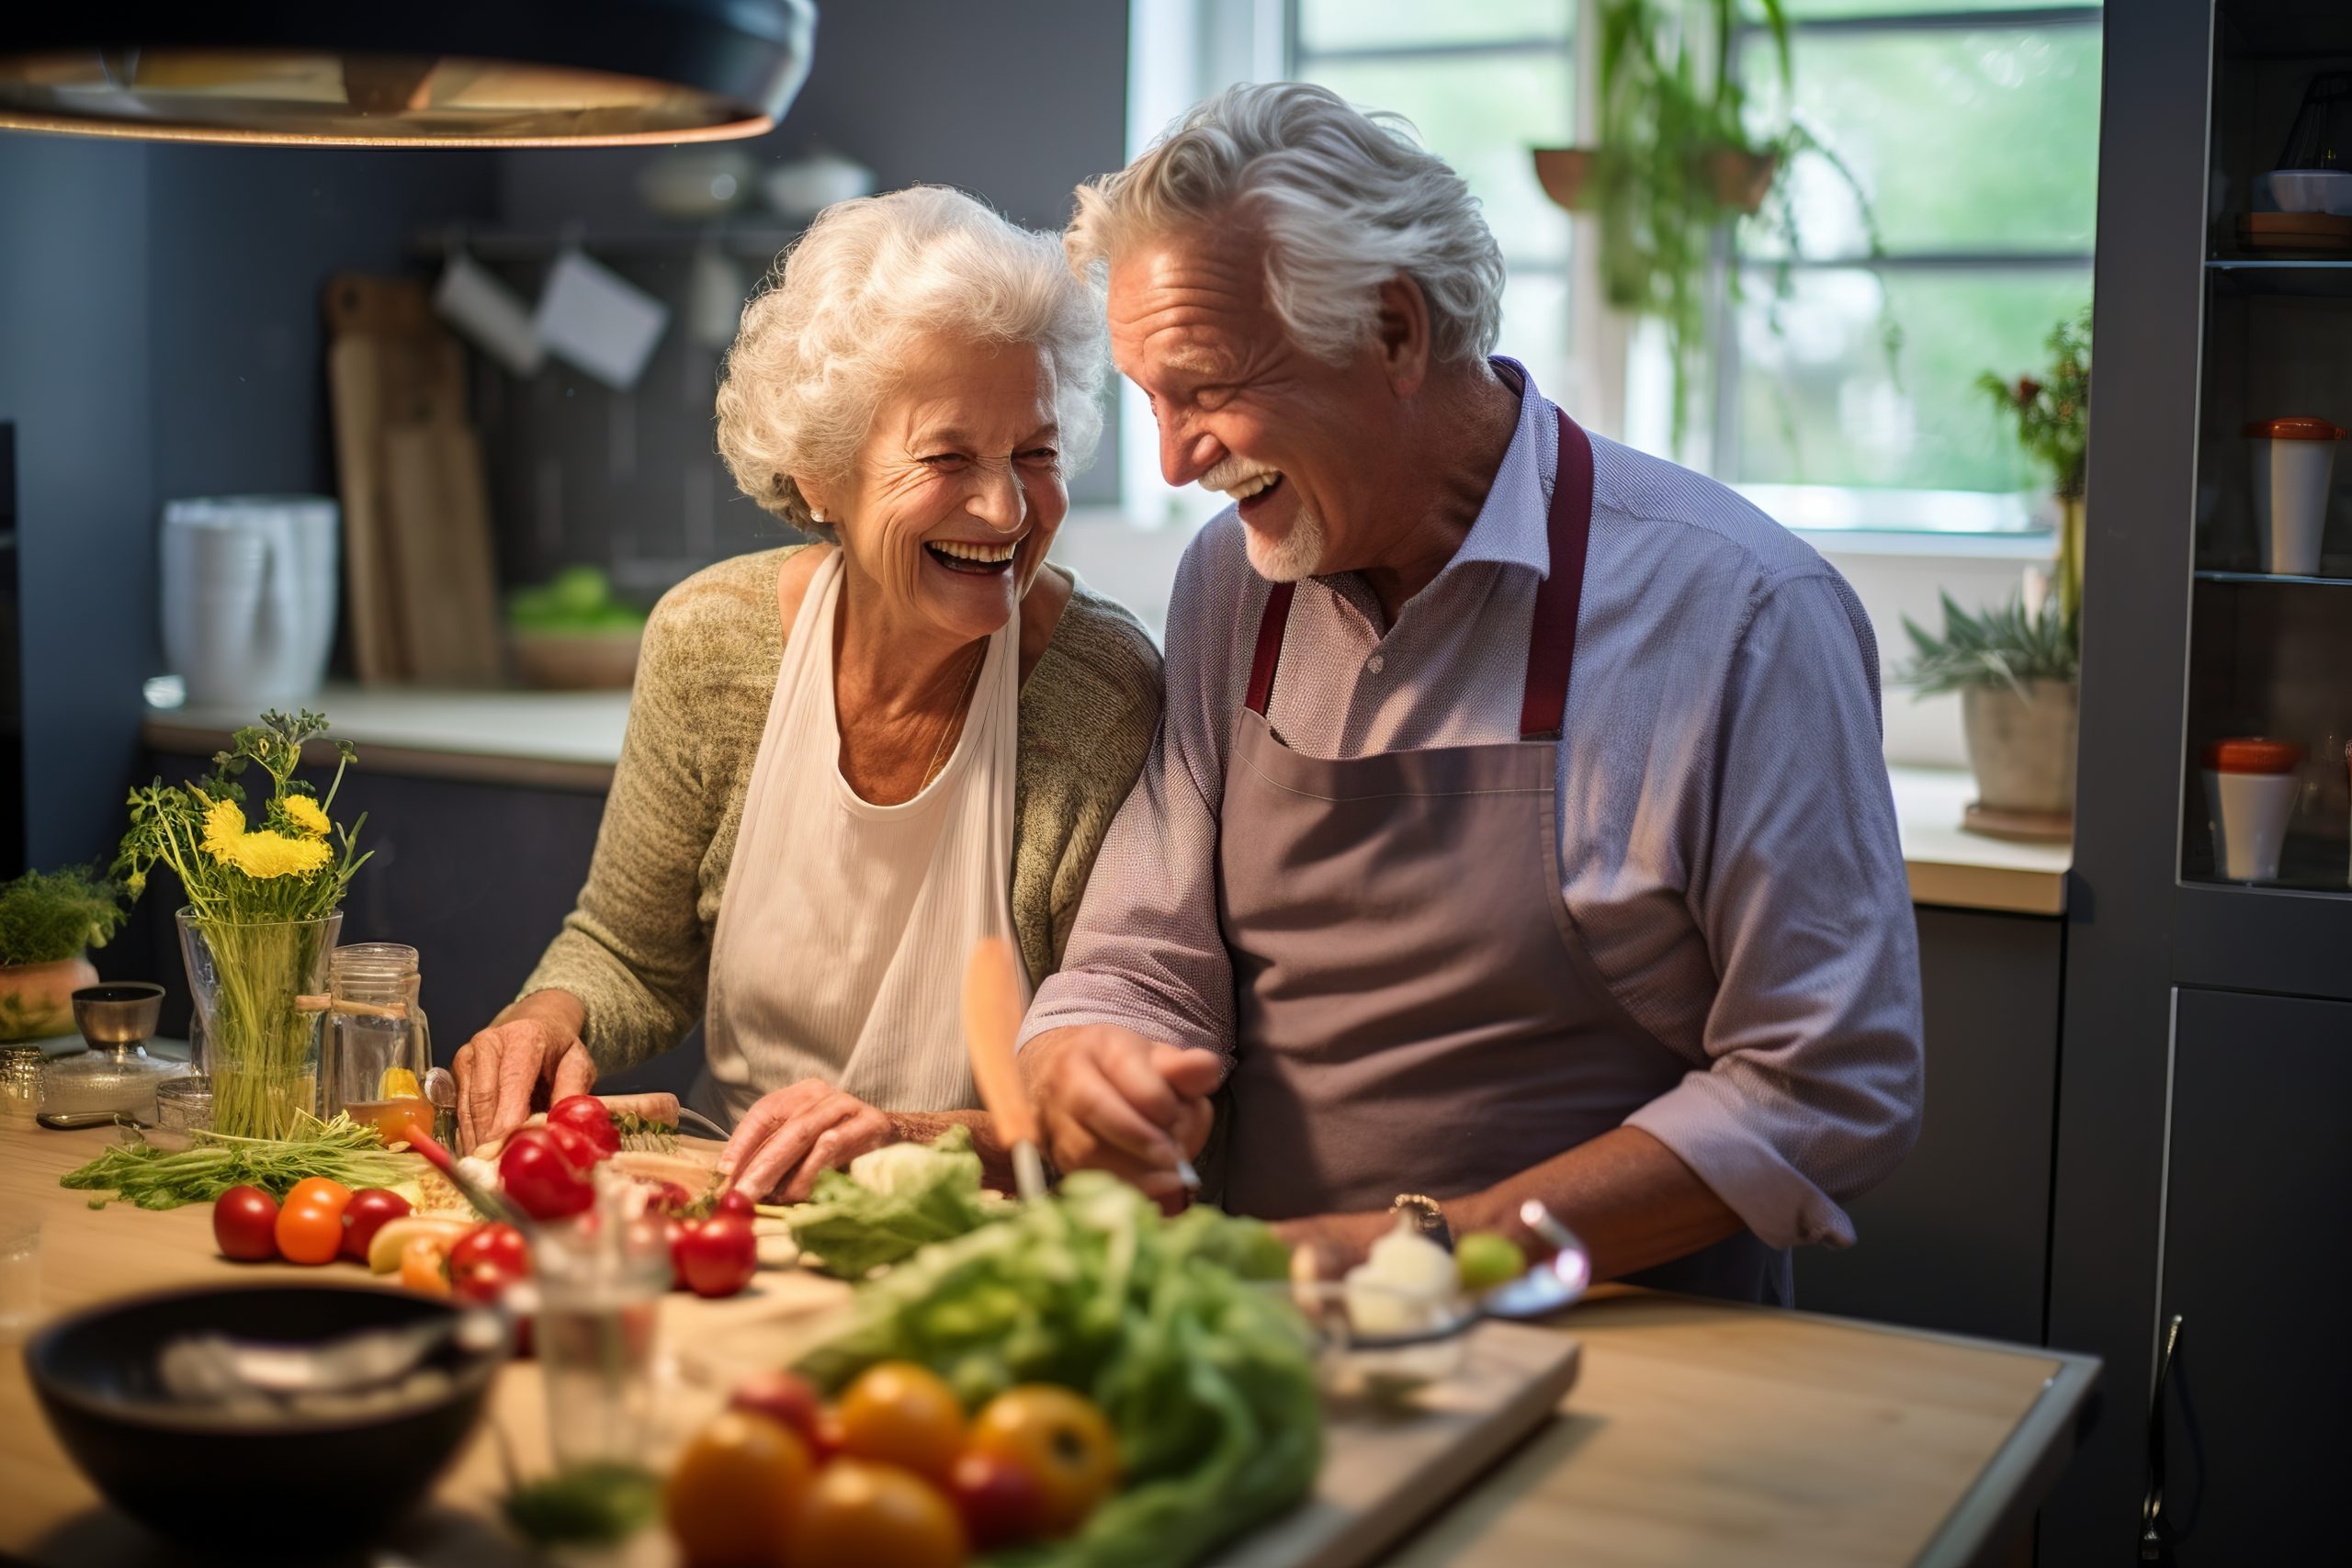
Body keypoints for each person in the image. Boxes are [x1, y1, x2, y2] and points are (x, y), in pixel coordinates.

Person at [1018, 84, 1923, 1303]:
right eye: (1150, 400)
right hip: (1277, 1320)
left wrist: (1433, 1246)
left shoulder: (1744, 613)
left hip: (1626, 1332)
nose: (1176, 459)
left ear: (1394, 332)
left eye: (1206, 385)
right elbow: (1145, 955)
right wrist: (1092, 1055)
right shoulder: (1235, 580)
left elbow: (1829, 1083)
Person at [453, 186, 1161, 1201]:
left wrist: (906, 1141)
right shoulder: (711, 645)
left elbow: (1108, 1114)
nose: (1005, 508)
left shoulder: (1098, 696)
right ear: (821, 472)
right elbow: (630, 952)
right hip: (729, 1213)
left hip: (976, 1243)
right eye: (948, 456)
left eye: (1035, 454)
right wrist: (546, 1017)